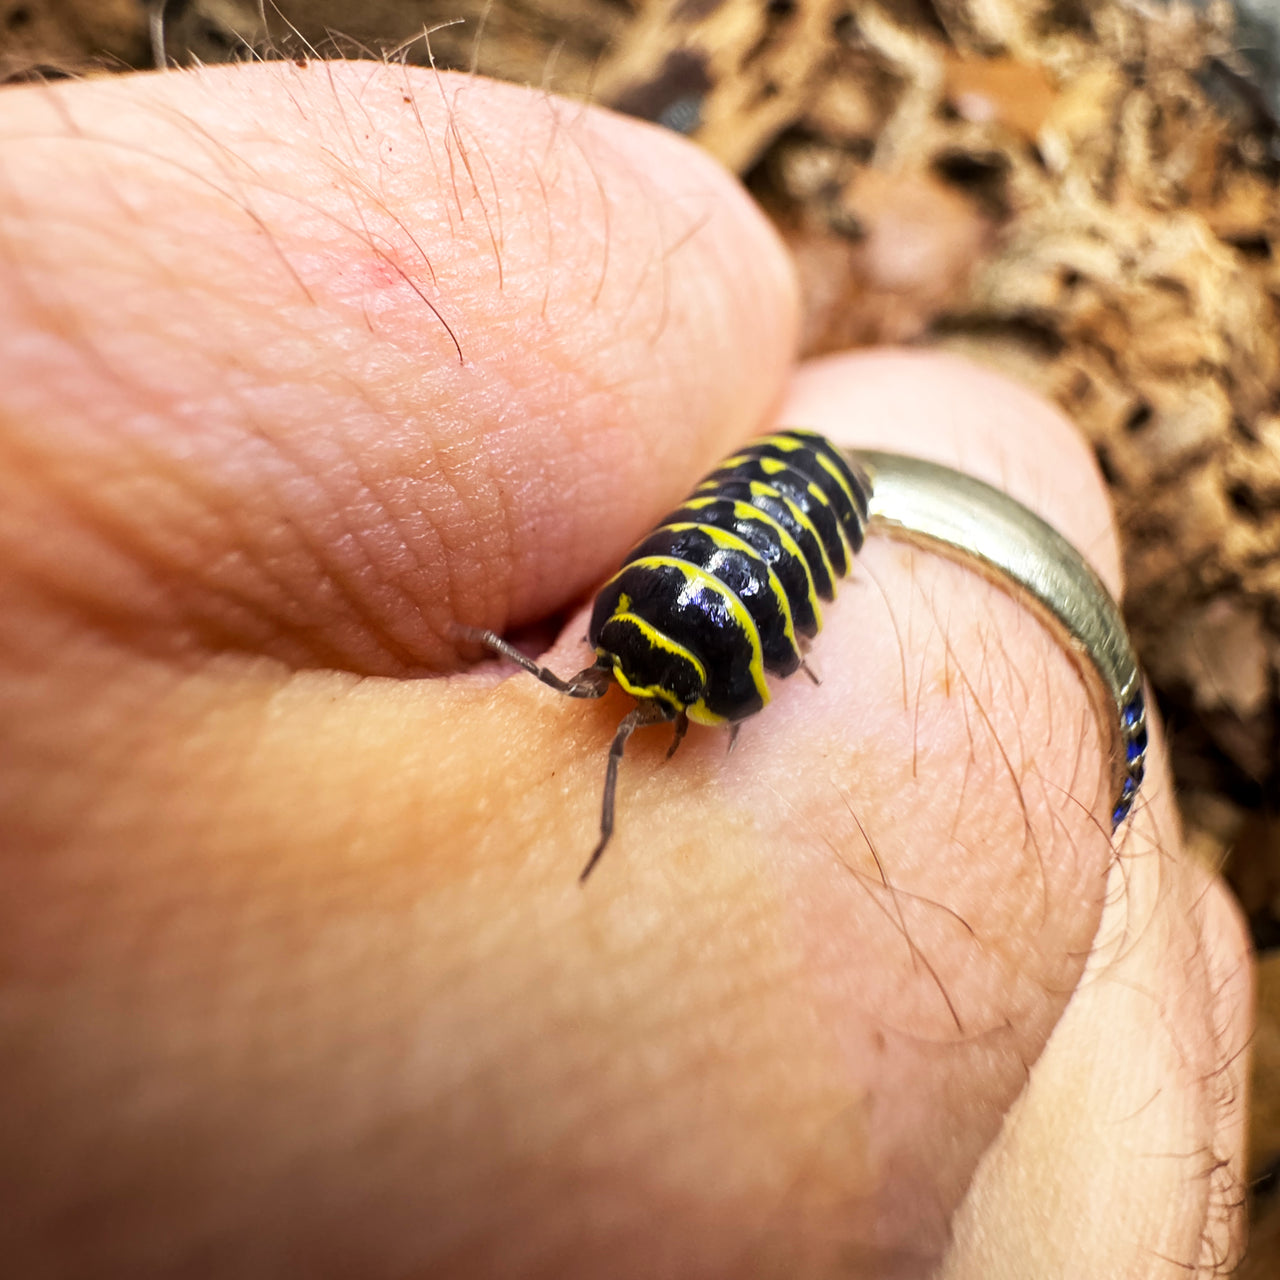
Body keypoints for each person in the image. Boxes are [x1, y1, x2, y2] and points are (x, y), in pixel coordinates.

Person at [0, 57, 1252, 1278]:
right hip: (811, 490)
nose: (618, 695)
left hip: (807, 489)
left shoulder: (682, 642)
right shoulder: (677, 652)